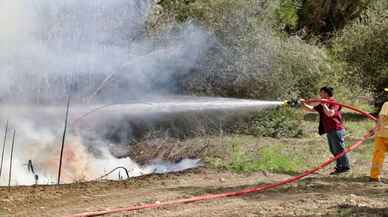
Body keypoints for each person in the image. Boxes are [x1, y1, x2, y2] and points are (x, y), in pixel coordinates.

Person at [302, 86, 351, 174]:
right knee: (333, 150)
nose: (320, 95)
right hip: (329, 130)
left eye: (321, 92)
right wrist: (303, 104)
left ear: (326, 93)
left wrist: (324, 104)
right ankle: (340, 166)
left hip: (336, 129)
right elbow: (311, 109)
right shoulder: (323, 103)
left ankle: (345, 166)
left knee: (339, 149)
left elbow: (329, 113)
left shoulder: (334, 103)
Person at [370, 88, 388, 182]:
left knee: (378, 155)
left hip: (383, 134)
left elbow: (381, 118)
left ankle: (374, 177)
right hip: (383, 133)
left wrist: (375, 129)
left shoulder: (387, 104)